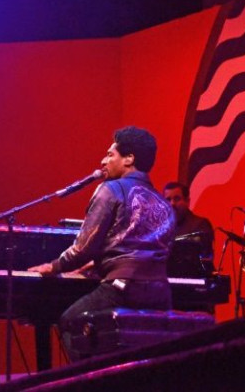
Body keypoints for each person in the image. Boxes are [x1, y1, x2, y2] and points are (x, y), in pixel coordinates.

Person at [29, 126, 175, 359]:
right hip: (161, 293)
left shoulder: (111, 189)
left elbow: (83, 248)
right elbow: (142, 247)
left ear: (129, 159)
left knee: (71, 321)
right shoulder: (163, 202)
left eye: (110, 154)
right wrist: (101, 264)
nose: (103, 159)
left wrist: (54, 266)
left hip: (124, 288)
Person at [162, 181, 215, 276]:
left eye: (177, 199)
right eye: (168, 199)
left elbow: (202, 261)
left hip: (191, 284)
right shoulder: (160, 227)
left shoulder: (200, 224)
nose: (172, 203)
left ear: (187, 201)